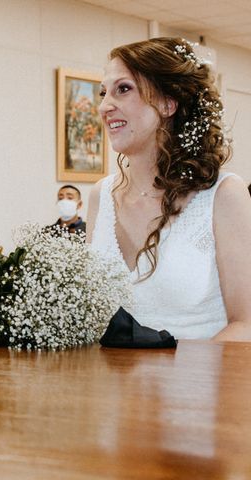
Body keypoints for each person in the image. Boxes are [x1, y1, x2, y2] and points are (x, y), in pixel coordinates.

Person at [87, 37, 251, 341]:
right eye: (103, 92)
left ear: (168, 102)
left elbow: (245, 324)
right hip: (109, 386)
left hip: (198, 382)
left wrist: (172, 378)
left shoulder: (223, 195)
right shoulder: (101, 196)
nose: (104, 106)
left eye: (123, 89)